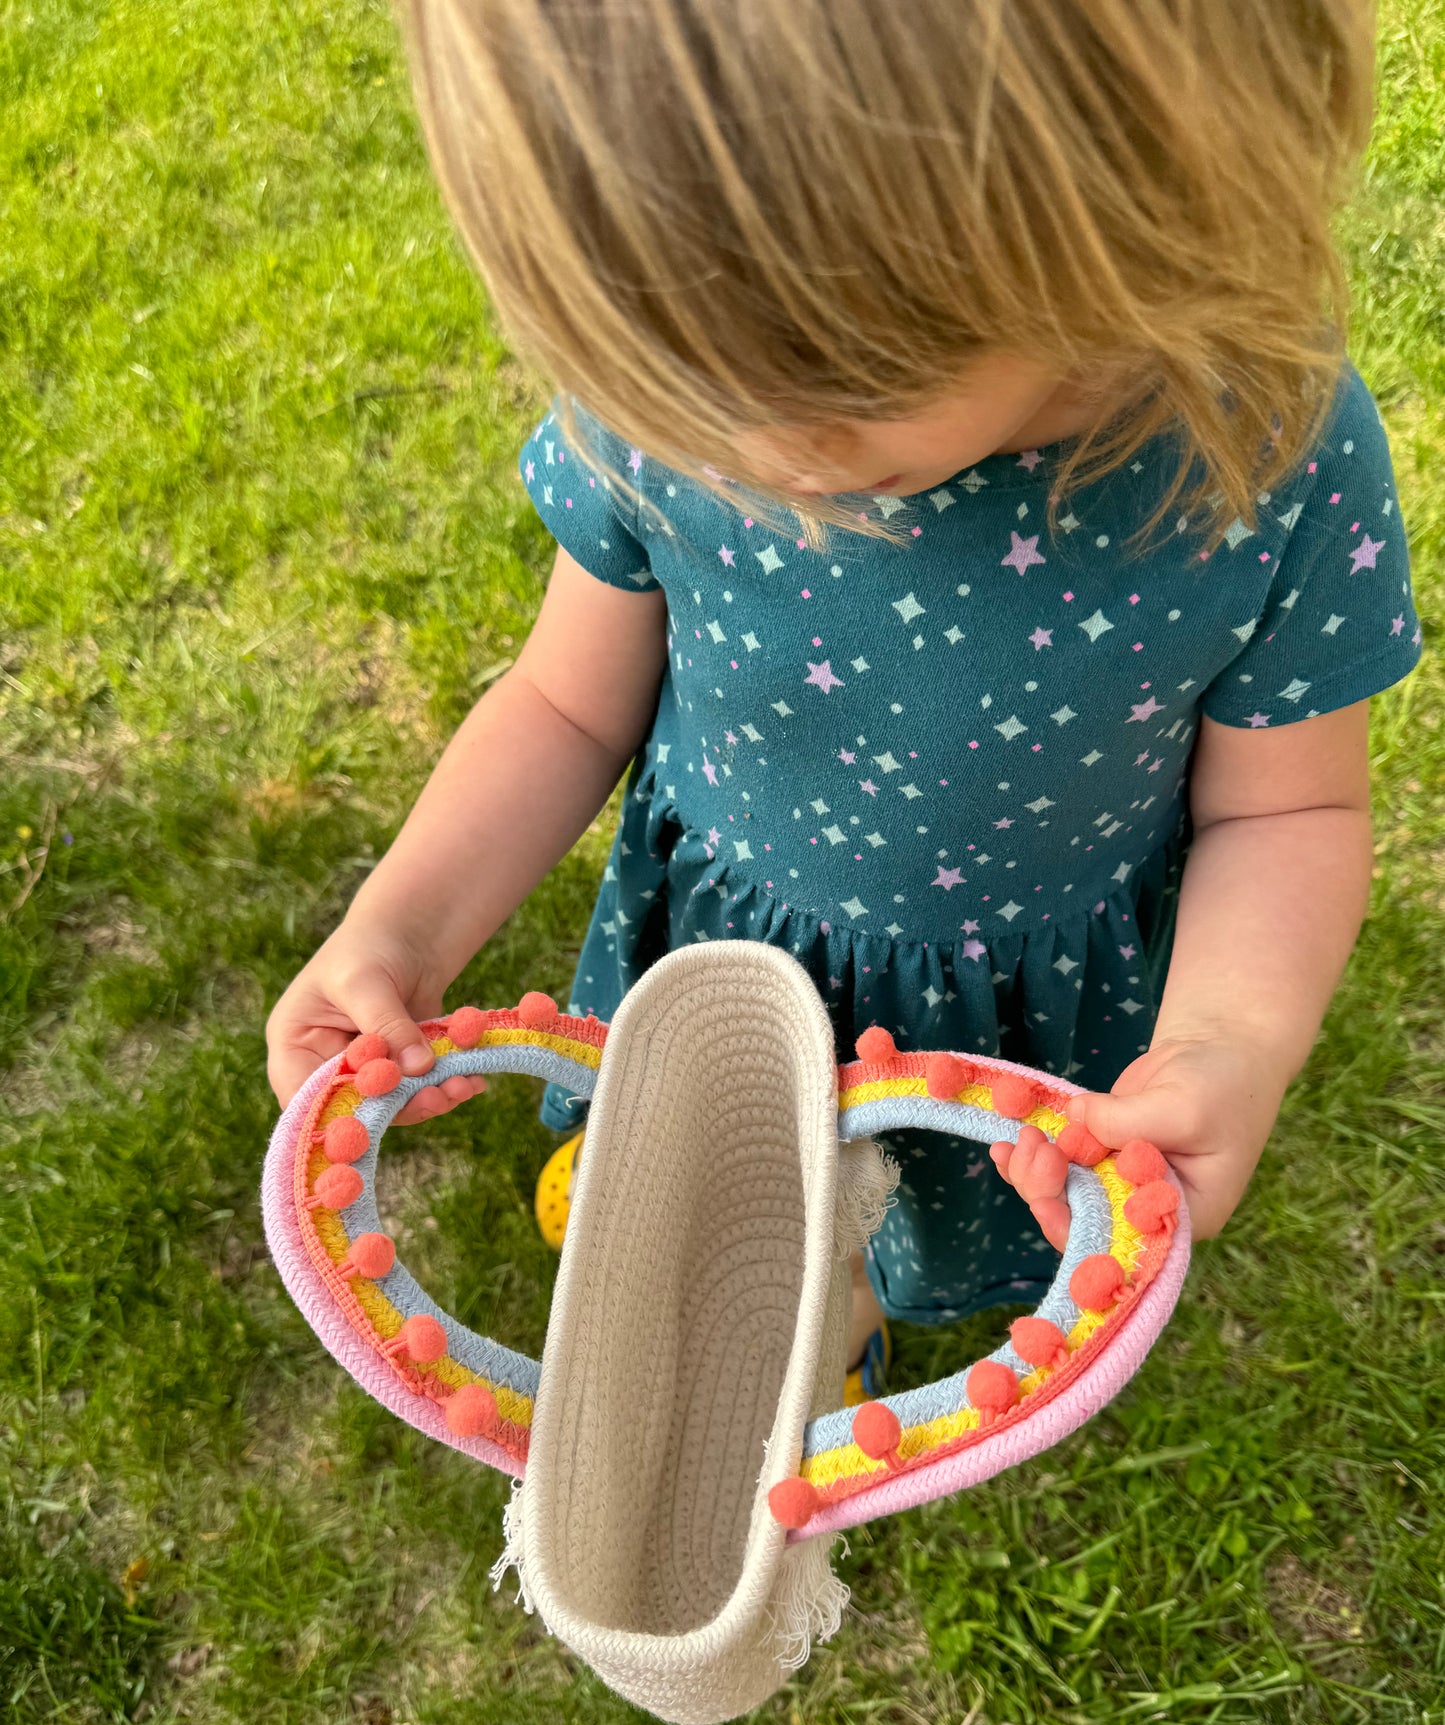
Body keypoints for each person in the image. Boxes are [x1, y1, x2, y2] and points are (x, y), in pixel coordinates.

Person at [267, 0, 1420, 1394]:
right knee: (732, 1220)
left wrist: (1223, 1046)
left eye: (836, 385)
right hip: (720, 962)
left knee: (905, 1225)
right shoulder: (681, 409)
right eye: (680, 386)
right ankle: (791, 1307)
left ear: (1125, 213)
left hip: (1017, 1003)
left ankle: (858, 1303)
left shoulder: (1261, 459)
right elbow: (566, 707)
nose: (763, 456)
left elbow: (1284, 809)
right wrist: (398, 926)